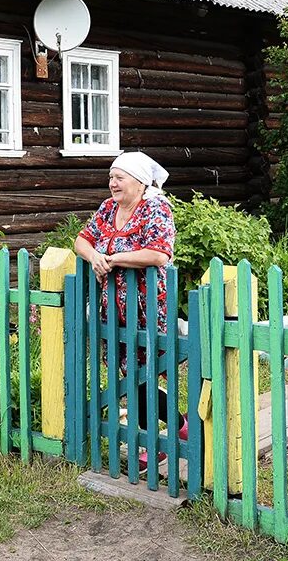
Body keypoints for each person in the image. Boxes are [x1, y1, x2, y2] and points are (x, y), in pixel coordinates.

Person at [74, 151, 182, 464]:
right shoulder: (108, 208)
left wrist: (113, 259)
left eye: (119, 177)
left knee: (145, 374)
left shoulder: (156, 207)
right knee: (127, 373)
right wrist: (93, 256)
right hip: (112, 307)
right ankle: (180, 426)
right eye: (111, 177)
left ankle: (156, 442)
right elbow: (81, 240)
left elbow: (159, 254)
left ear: (139, 182)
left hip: (147, 306)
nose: (112, 183)